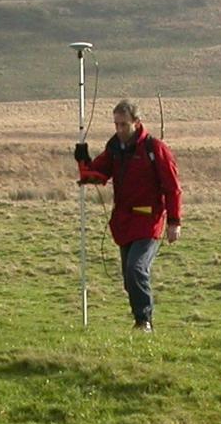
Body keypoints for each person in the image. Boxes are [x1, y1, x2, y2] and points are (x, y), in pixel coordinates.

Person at [74, 99, 182, 332]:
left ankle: (145, 322)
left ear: (136, 122)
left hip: (149, 222)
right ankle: (139, 319)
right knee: (128, 276)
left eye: (124, 124)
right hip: (124, 223)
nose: (120, 129)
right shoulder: (115, 148)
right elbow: (96, 175)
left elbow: (172, 188)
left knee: (136, 269)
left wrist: (174, 222)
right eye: (116, 124)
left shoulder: (156, 149)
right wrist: (83, 160)